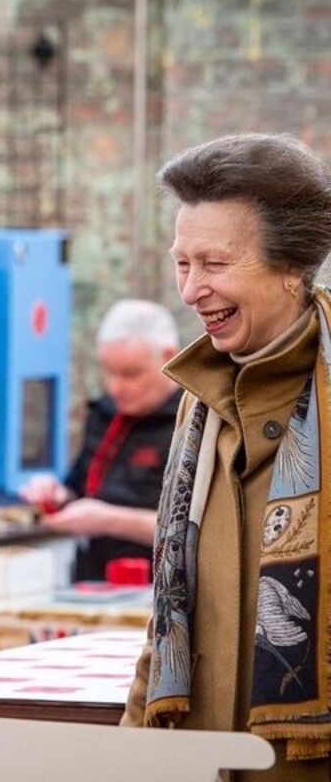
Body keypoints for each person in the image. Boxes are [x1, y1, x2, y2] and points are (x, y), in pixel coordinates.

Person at [121, 133, 331, 781]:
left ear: (292, 264)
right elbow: (169, 612)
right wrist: (131, 746)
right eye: (182, 263)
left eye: (213, 264)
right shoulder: (198, 405)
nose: (189, 290)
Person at [21, 299, 181, 581]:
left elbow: (202, 534)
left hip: (162, 588)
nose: (116, 387)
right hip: (93, 580)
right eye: (108, 372)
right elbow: (81, 490)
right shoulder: (105, 414)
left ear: (169, 357)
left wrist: (109, 521)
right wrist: (58, 497)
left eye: (131, 374)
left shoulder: (194, 425)